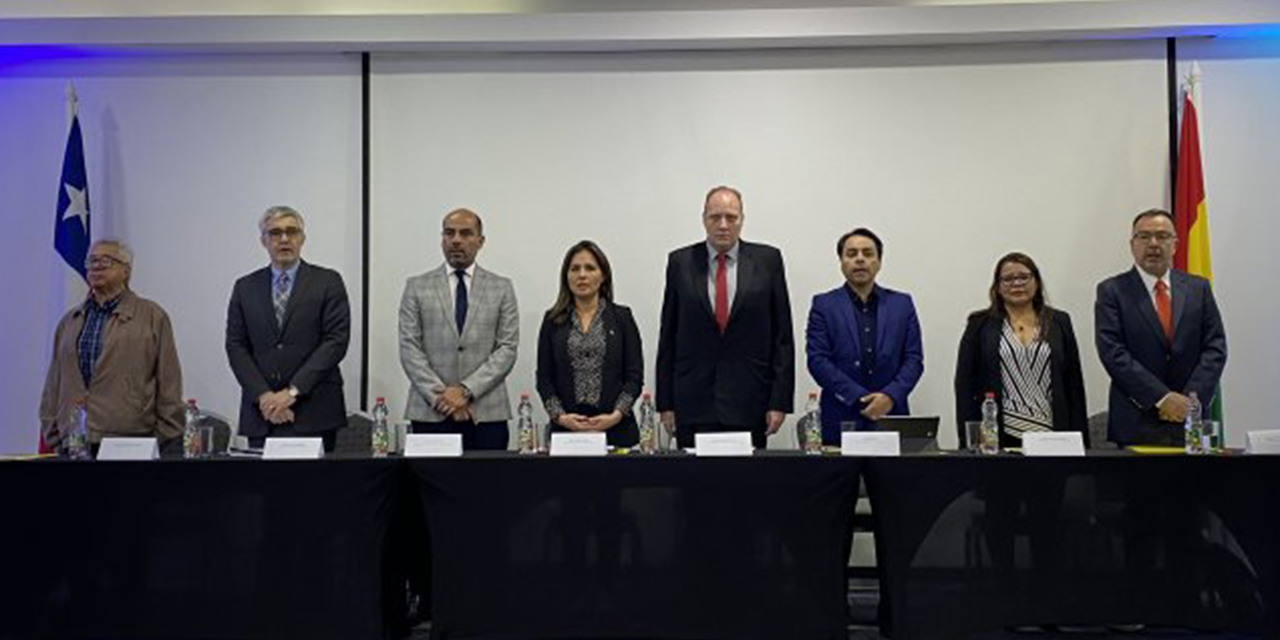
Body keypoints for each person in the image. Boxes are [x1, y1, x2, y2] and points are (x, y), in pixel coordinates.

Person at [656, 185, 794, 449]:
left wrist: (778, 402)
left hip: (750, 401)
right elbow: (669, 336)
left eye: (731, 217)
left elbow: (782, 338)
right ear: (703, 219)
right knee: (693, 486)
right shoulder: (680, 262)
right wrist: (666, 403)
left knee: (746, 487)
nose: (723, 225)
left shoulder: (768, 260)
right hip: (693, 403)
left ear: (742, 219)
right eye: (715, 217)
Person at [1095, 208, 1226, 446]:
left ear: (1175, 245)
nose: (1153, 243)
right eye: (1144, 237)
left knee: (1200, 484)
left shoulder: (1199, 289)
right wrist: (1162, 398)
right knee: (1135, 485)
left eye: (1162, 236)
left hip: (1193, 418)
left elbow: (1215, 348)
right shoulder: (1112, 291)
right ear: (1132, 244)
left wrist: (1189, 401)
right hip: (1136, 417)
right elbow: (1113, 352)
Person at [226, 205, 351, 451]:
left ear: (302, 238)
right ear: (264, 240)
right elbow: (236, 346)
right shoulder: (245, 287)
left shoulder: (328, 281)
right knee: (266, 489)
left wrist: (291, 393)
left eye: (291, 231)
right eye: (275, 233)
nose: (284, 239)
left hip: (314, 409)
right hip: (264, 413)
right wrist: (265, 397)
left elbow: (335, 341)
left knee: (315, 488)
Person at [39, 239, 184, 450]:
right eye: (91, 261)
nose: (96, 266)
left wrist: (164, 437)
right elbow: (54, 383)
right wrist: (53, 432)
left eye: (106, 261)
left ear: (126, 271)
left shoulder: (152, 316)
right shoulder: (70, 320)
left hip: (130, 441)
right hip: (74, 441)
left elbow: (169, 381)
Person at [399, 207, 519, 450]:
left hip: (486, 413)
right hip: (431, 410)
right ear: (442, 238)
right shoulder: (416, 286)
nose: (456, 240)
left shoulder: (502, 287)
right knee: (428, 487)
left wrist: (466, 391)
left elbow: (506, 349)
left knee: (487, 486)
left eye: (465, 233)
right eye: (449, 233)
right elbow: (409, 347)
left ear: (480, 241)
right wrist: (442, 396)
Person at [955, 251, 1088, 446]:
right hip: (997, 434)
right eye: (1008, 279)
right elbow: (965, 386)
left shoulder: (1059, 321)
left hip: (1053, 432)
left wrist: (1081, 441)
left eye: (1024, 277)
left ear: (1037, 282)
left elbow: (1074, 384)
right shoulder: (979, 324)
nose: (1017, 284)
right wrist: (970, 441)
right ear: (997, 287)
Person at [806, 228, 923, 444]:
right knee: (840, 478)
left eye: (868, 254)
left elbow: (914, 360)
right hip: (840, 417)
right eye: (851, 254)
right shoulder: (823, 305)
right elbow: (818, 360)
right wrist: (860, 397)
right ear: (841, 262)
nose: (860, 259)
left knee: (891, 478)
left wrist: (889, 397)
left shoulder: (902, 304)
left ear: (879, 262)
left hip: (891, 415)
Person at [536, 240, 643, 447]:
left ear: (603, 276)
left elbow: (634, 376)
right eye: (574, 269)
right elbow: (544, 378)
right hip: (565, 432)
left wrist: (615, 415)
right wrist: (560, 417)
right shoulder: (552, 320)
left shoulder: (622, 317)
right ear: (566, 277)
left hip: (617, 431)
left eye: (590, 268)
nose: (582, 275)